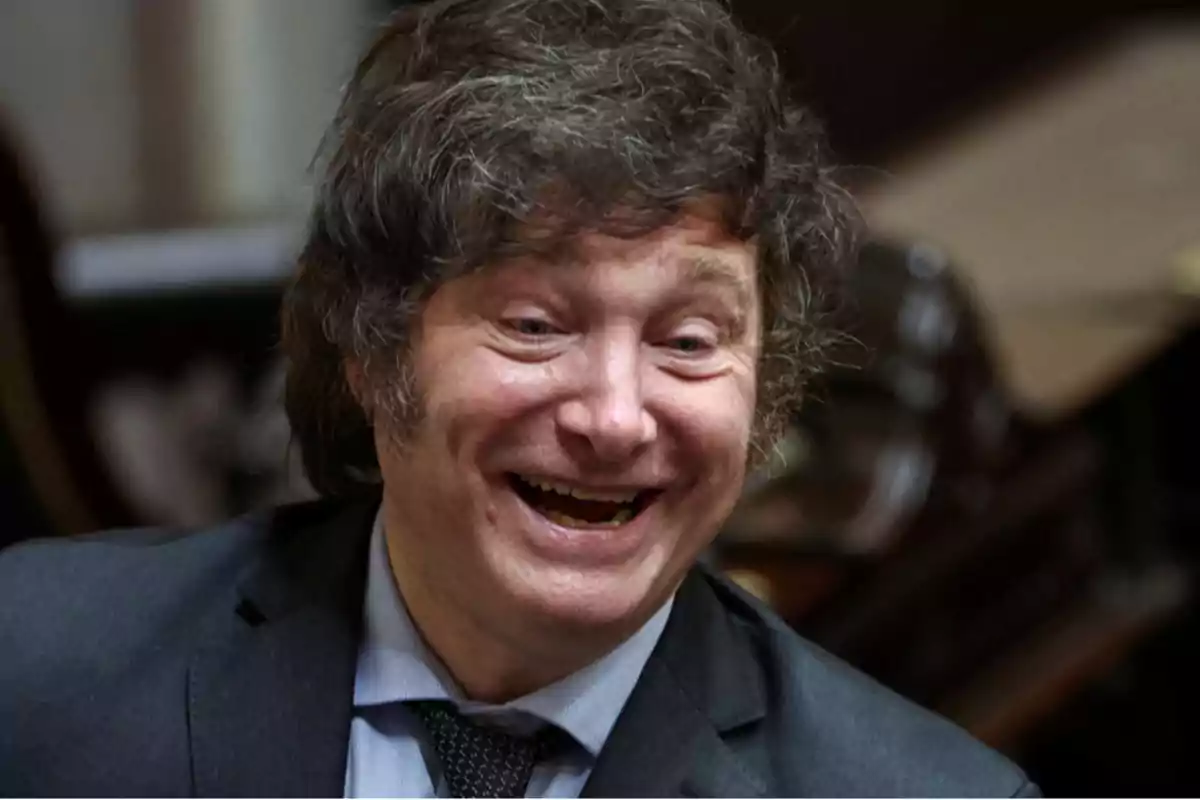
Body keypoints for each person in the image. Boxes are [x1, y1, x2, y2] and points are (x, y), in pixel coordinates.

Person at [0, 0, 1037, 796]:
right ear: (370, 346)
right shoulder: (34, 665)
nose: (615, 417)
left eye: (687, 341)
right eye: (535, 324)